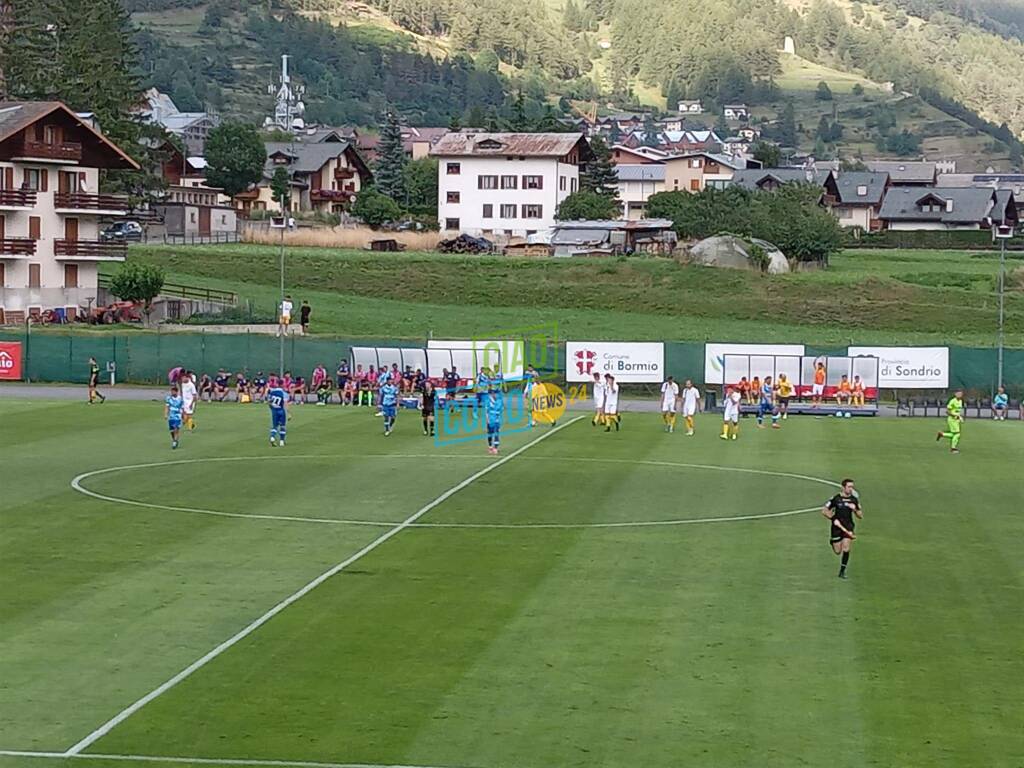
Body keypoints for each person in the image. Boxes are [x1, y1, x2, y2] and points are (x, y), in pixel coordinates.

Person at [823, 478, 863, 579]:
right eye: (849, 487)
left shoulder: (854, 500)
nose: (851, 489)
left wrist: (855, 509)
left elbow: (860, 515)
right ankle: (832, 542)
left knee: (846, 548)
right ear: (843, 487)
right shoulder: (836, 499)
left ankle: (842, 571)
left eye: (852, 487)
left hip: (848, 526)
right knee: (837, 551)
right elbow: (824, 510)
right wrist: (833, 518)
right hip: (836, 528)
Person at [937, 389, 965, 453]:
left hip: (956, 420)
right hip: (952, 420)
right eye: (958, 393)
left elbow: (957, 411)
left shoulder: (960, 401)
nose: (960, 395)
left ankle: (942, 434)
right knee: (957, 434)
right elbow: (947, 411)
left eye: (961, 394)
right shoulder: (952, 401)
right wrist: (955, 416)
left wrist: (959, 417)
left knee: (954, 434)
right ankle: (953, 448)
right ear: (955, 394)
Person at [267, 379, 289, 447]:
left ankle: (272, 437)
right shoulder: (284, 393)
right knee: (282, 426)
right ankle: (282, 441)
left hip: (274, 410)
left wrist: (272, 408)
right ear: (282, 384)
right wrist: (288, 413)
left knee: (275, 426)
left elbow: (269, 402)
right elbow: (285, 403)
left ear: (277, 384)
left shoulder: (272, 392)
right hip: (281, 410)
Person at [164, 385, 184, 450]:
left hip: (178, 416)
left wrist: (183, 416)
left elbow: (182, 408)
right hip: (171, 416)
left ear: (176, 392)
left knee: (176, 428)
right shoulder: (168, 398)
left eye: (173, 391)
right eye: (171, 391)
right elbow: (167, 407)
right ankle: (174, 440)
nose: (172, 393)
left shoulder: (180, 399)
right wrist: (166, 414)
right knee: (171, 430)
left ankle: (175, 442)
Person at [485, 388, 504, 454]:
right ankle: (490, 447)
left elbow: (501, 409)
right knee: (490, 433)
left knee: (496, 432)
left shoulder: (500, 400)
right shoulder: (488, 401)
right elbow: (487, 411)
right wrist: (487, 419)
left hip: (497, 419)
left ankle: (495, 448)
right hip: (490, 418)